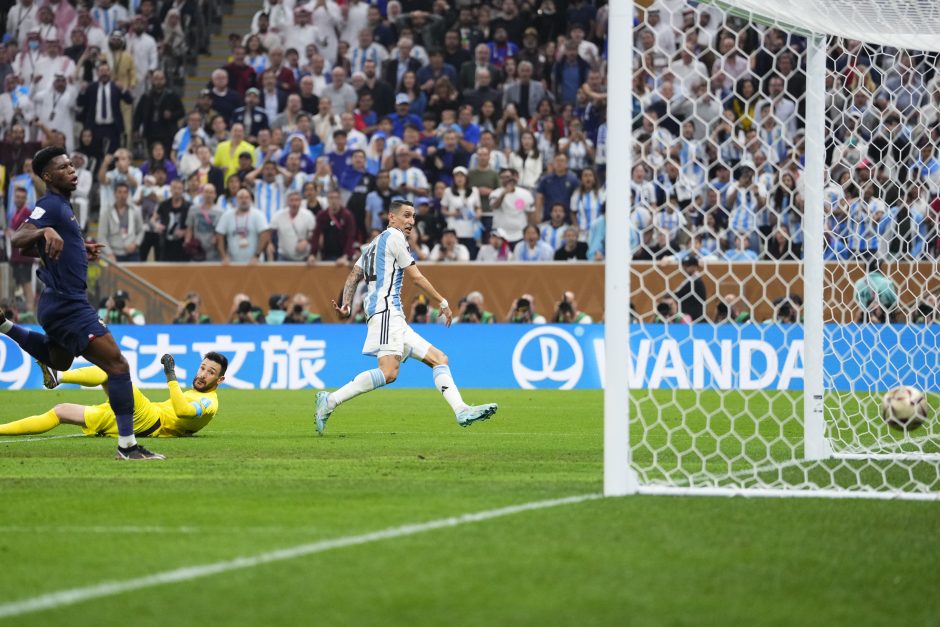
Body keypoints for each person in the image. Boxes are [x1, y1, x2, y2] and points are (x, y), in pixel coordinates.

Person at [1, 146, 163, 460]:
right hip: (68, 305)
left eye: (72, 165)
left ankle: (4, 325)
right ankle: (128, 446)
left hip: (55, 304)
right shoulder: (50, 205)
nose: (72, 170)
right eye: (64, 167)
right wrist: (45, 229)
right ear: (48, 176)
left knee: (59, 361)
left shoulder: (63, 206)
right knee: (117, 365)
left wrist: (79, 248)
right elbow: (18, 238)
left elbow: (42, 248)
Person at [314, 199, 498, 434]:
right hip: (385, 312)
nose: (411, 222)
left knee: (439, 359)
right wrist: (442, 301)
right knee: (389, 372)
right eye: (406, 216)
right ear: (392, 218)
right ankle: (329, 401)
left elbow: (354, 274)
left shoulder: (372, 244)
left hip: (394, 316)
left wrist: (347, 304)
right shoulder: (394, 237)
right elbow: (416, 277)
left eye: (413, 217)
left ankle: (461, 410)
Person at [0, 353, 226, 438]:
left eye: (211, 372)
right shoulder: (196, 391)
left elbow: (183, 411)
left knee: (114, 370)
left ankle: (59, 376)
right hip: (133, 420)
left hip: (149, 420)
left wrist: (170, 375)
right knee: (60, 411)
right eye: (203, 367)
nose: (203, 374)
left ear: (220, 380)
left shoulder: (208, 401)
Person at [674, 254, 707, 322]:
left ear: (695, 267)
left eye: (687, 266)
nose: (684, 268)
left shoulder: (695, 282)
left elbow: (677, 295)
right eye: (683, 265)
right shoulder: (690, 280)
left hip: (693, 321)